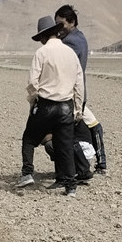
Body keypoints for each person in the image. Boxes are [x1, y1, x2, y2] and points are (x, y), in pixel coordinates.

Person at [16, 15, 84, 197]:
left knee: (29, 139)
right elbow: (79, 84)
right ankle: (71, 186)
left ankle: (27, 173)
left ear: (43, 36)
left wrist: (33, 102)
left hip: (46, 105)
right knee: (65, 145)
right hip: (66, 106)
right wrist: (78, 109)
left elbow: (33, 82)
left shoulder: (41, 53)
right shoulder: (70, 53)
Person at [54, 4, 107, 175]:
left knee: (66, 134)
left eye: (61, 24)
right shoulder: (80, 37)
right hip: (78, 93)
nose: (58, 29)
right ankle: (99, 163)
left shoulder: (70, 42)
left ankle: (79, 169)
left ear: (71, 22)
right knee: (91, 124)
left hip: (70, 94)